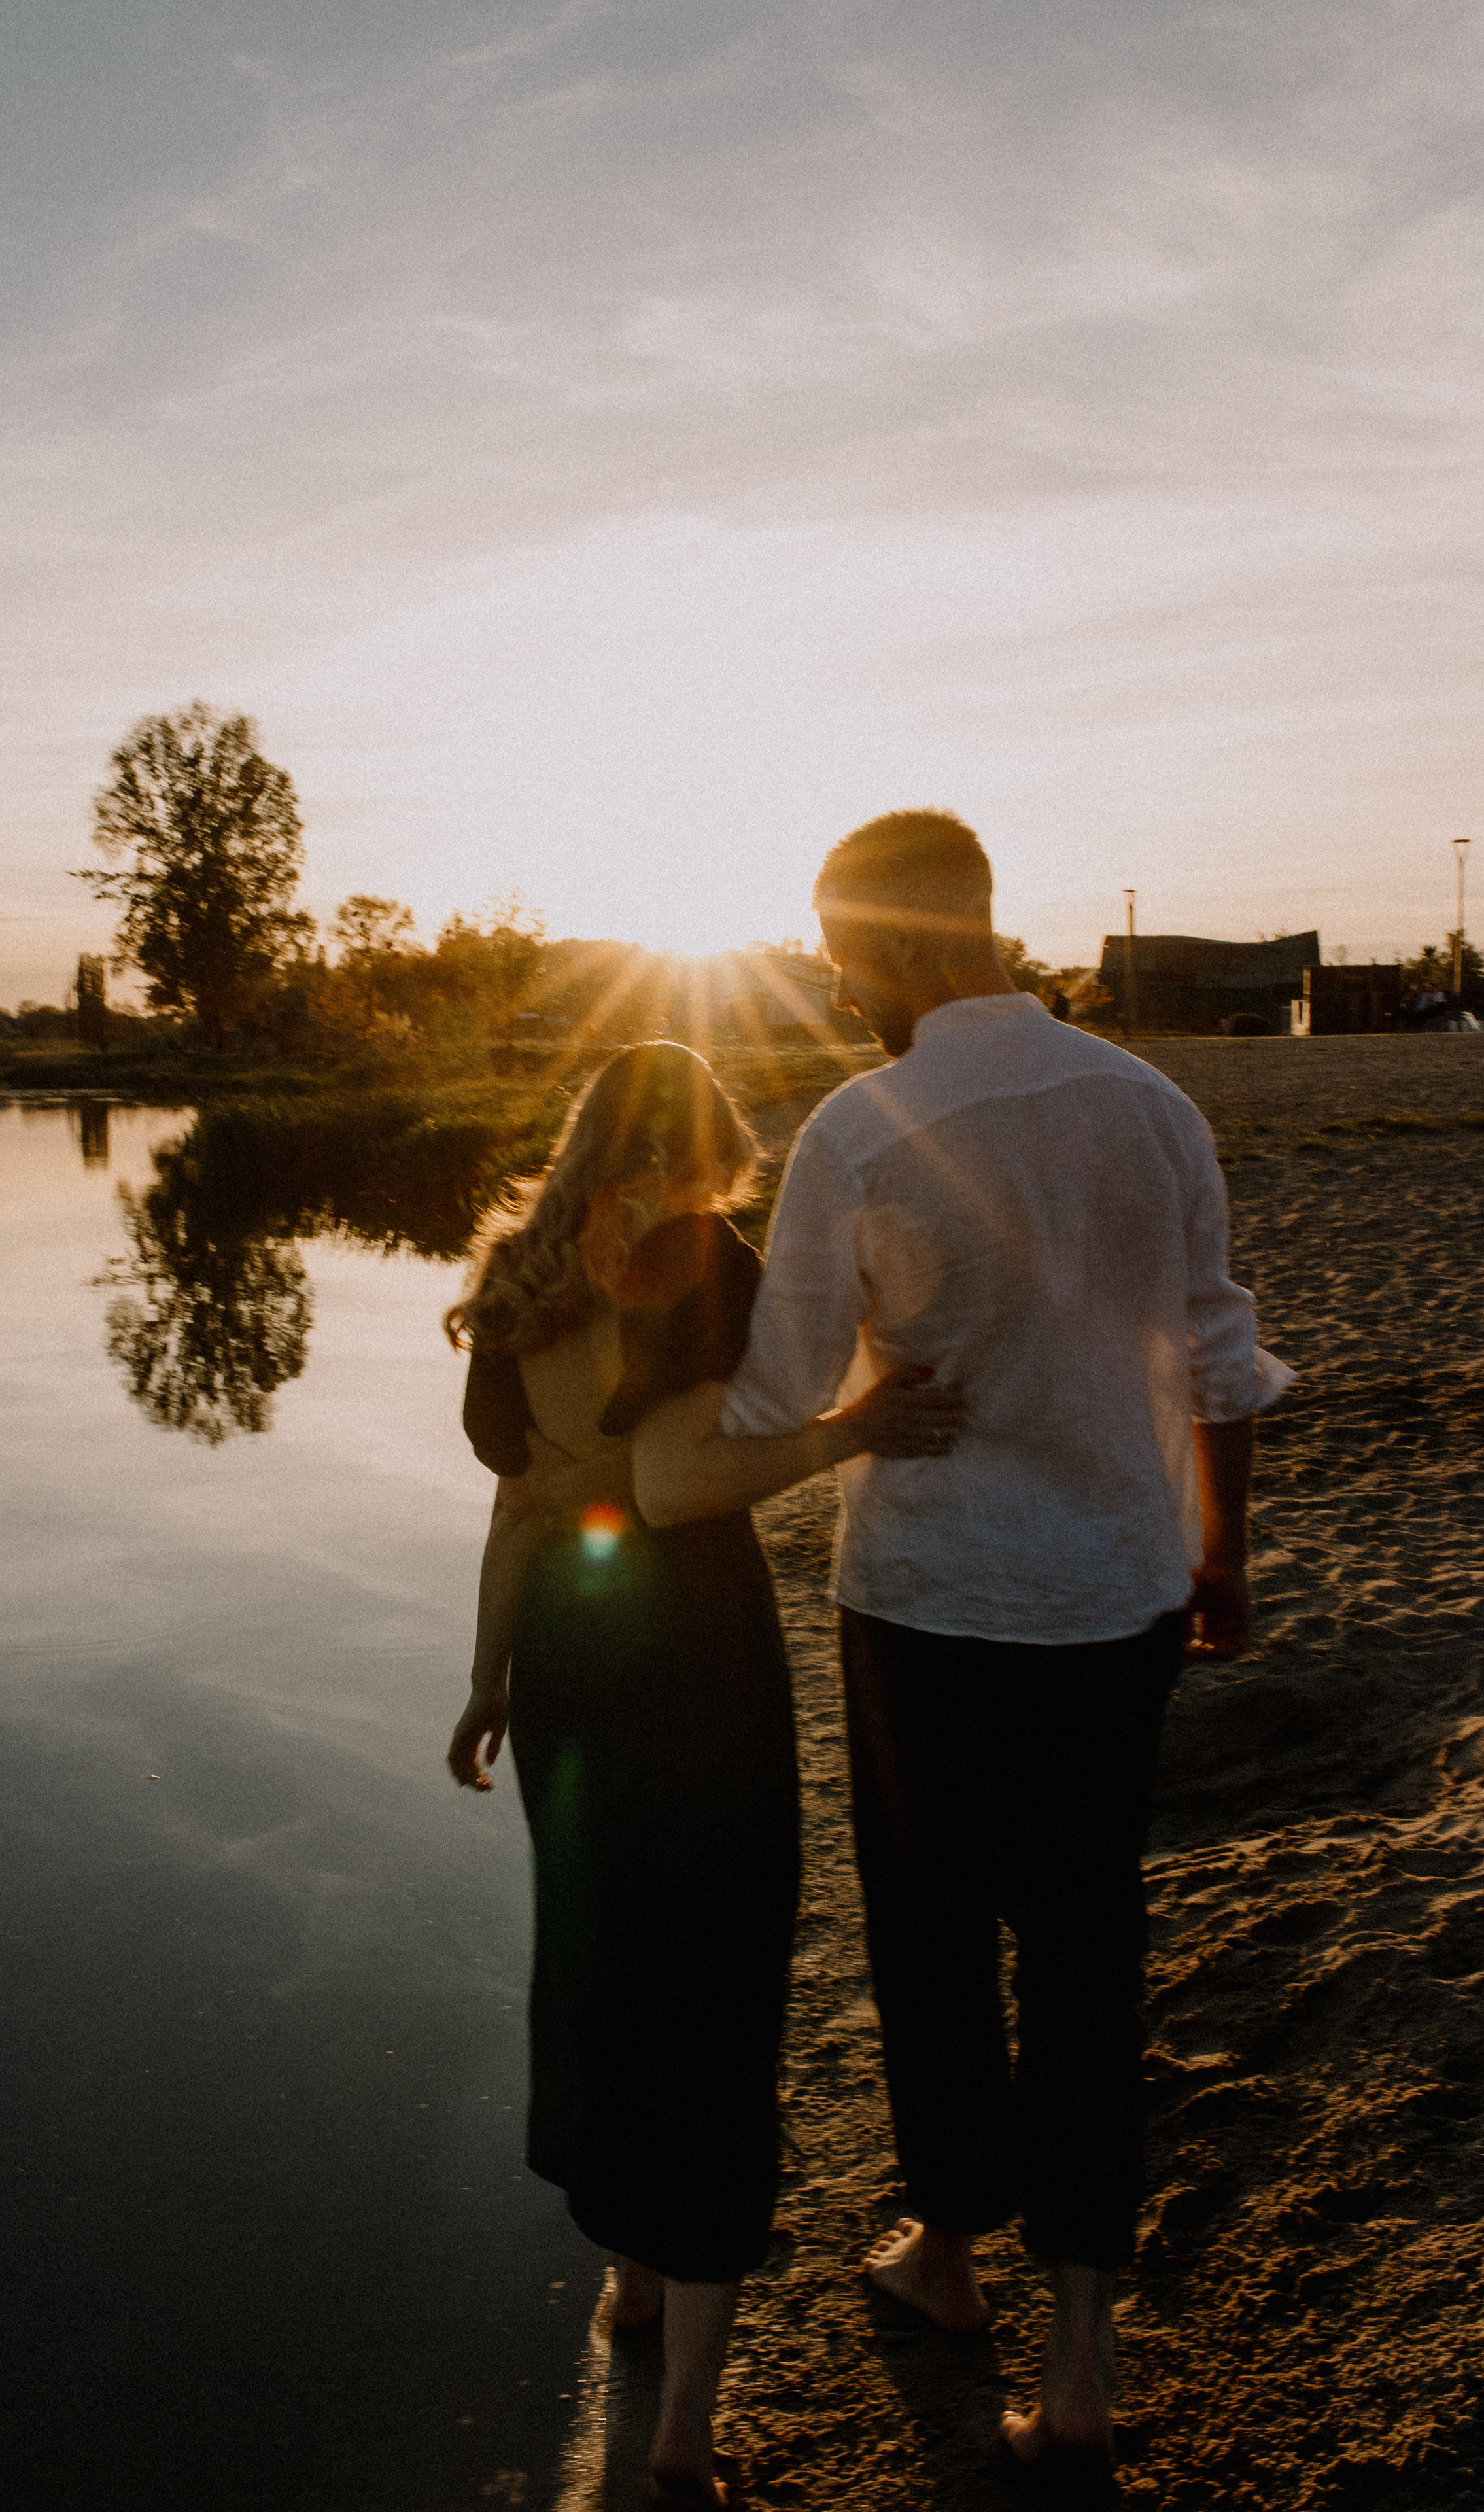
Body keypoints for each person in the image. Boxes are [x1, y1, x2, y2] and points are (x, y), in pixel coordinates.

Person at [632, 814, 1292, 2484]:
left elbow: (783, 1401)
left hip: (928, 1606)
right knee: (1084, 1942)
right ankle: (1079, 2354)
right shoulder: (1151, 1106)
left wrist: (617, 1383)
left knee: (930, 1942)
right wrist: (1222, 1555)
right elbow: (1217, 1358)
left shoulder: (858, 1132)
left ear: (912, 943)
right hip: (1118, 1596)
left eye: (840, 950)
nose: (833, 983)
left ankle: (944, 2260)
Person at [444, 1042, 959, 2510]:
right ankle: (677, 2435)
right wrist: (851, 1432)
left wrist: (485, 1683)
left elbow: (524, 1513)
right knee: (716, 1999)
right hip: (685, 1667)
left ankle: (629, 2283)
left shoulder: (515, 1279)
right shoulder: (696, 1256)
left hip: (562, 1668)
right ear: (709, 1141)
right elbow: (669, 1489)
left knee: (611, 1976)